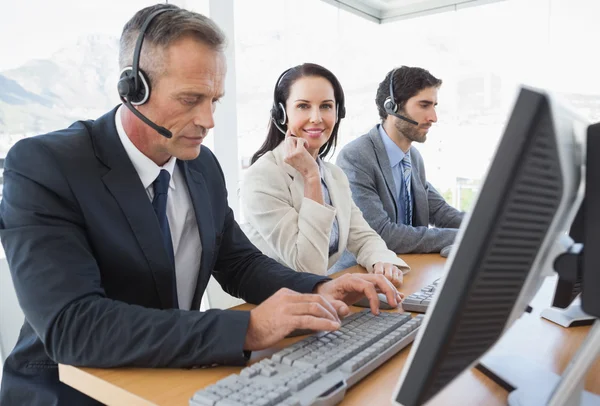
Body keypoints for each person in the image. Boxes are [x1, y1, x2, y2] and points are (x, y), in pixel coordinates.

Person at [0, 6, 401, 406]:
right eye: (191, 99)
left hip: (171, 377)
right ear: (133, 90)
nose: (208, 120)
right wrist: (245, 329)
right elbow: (74, 327)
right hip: (73, 391)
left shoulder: (200, 165)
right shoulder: (46, 166)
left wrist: (318, 287)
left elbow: (239, 262)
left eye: (214, 100)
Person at [239, 63, 409, 285]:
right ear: (282, 114)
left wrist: (381, 261)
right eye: (303, 106)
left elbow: (363, 236)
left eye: (326, 106)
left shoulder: (333, 175)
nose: (316, 117)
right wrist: (311, 177)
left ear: (338, 113)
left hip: (316, 297)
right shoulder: (263, 177)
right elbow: (308, 267)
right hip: (273, 302)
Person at [335, 66, 464, 270]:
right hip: (361, 275)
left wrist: (485, 227)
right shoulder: (356, 157)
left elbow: (439, 211)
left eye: (434, 106)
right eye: (424, 105)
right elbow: (382, 234)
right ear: (392, 106)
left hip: (405, 269)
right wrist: (460, 237)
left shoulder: (412, 158)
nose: (433, 117)